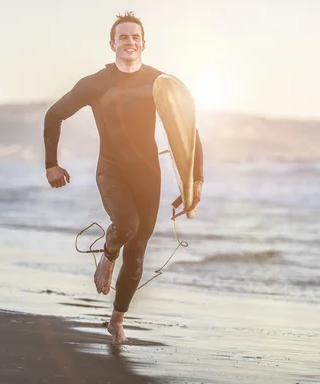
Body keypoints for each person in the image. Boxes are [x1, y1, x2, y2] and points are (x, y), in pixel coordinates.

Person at [43, 11, 204, 342]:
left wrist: (195, 181)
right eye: (123, 37)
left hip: (149, 174)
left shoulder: (160, 82)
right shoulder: (96, 83)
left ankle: (117, 319)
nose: (129, 42)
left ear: (143, 43)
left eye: (135, 37)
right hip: (111, 169)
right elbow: (54, 114)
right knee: (127, 225)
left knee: (139, 251)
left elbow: (188, 130)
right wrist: (51, 164)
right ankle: (107, 254)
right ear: (112, 43)